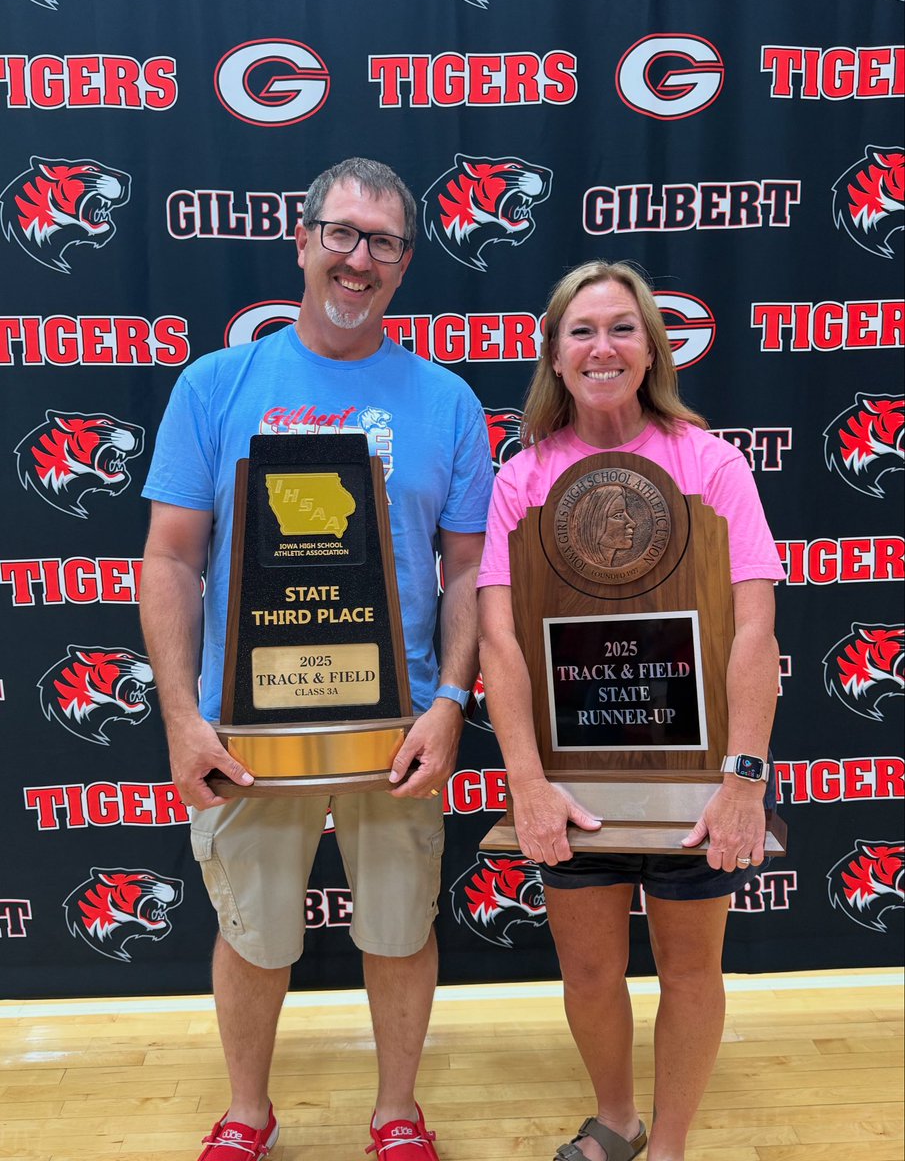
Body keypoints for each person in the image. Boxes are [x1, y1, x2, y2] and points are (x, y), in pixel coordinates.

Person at [140, 157, 493, 1161]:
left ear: (405, 264)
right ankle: (246, 1112)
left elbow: (466, 572)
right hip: (249, 731)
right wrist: (179, 713)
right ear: (300, 241)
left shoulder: (446, 400)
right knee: (253, 934)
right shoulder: (216, 386)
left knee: (398, 929)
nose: (358, 258)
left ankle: (396, 1113)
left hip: (400, 730)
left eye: (382, 242)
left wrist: (451, 702)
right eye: (340, 233)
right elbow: (169, 558)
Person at [476, 260, 784, 1161]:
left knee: (690, 972)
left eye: (619, 327)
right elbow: (501, 645)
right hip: (576, 783)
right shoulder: (520, 480)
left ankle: (673, 1147)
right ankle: (616, 1121)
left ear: (650, 347)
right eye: (581, 331)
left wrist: (742, 781)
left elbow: (754, 629)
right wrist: (526, 784)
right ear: (555, 356)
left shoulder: (711, 463)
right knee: (588, 970)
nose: (601, 346)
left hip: (694, 776)